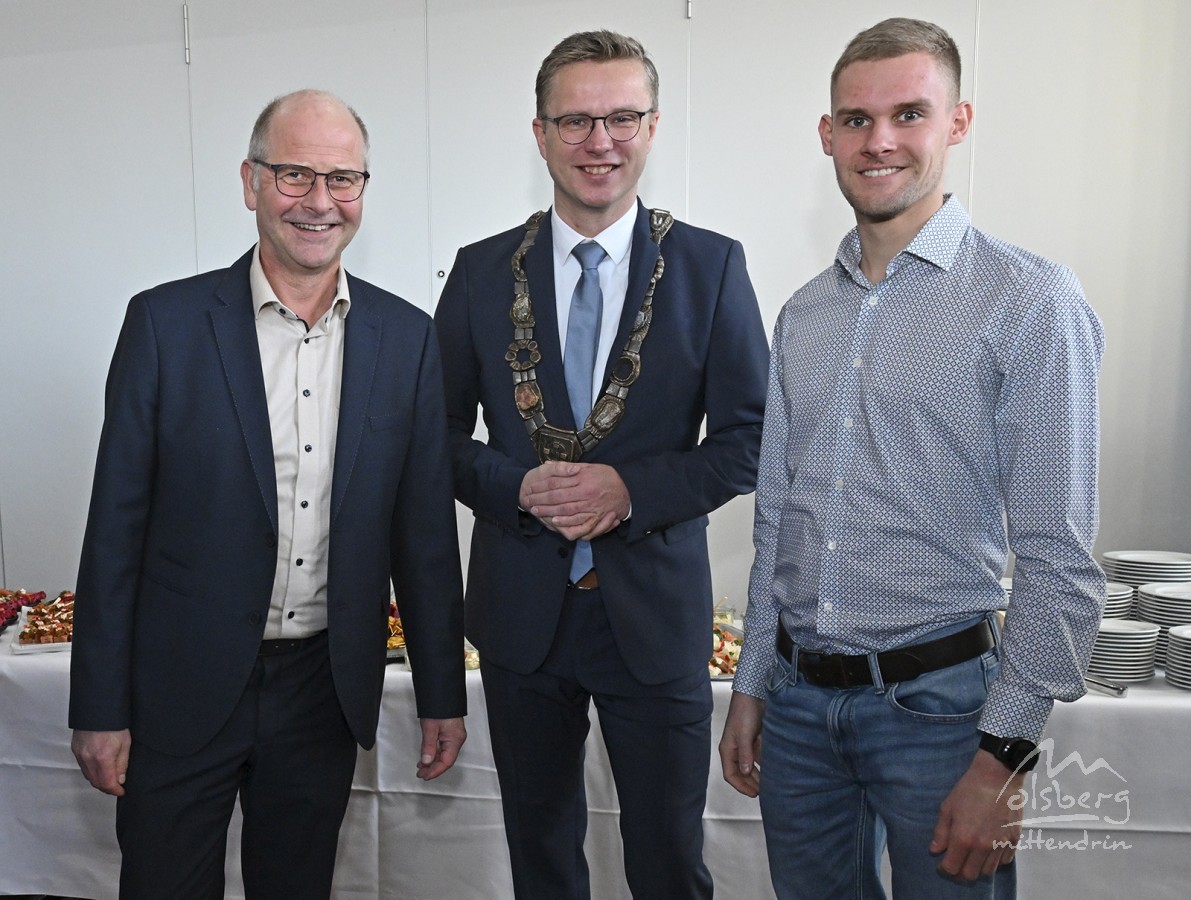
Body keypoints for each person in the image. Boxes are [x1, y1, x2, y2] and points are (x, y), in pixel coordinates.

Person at [719, 17, 1105, 900]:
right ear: (827, 134)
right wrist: (752, 687)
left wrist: (1003, 755)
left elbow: (1057, 555)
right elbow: (777, 519)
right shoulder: (804, 314)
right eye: (856, 120)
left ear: (957, 123)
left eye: (908, 114)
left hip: (943, 715)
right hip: (798, 710)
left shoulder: (1029, 300)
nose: (879, 140)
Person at [68, 89, 467, 899]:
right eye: (294, 175)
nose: (319, 201)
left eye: (342, 178)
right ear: (251, 182)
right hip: (179, 688)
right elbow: (114, 534)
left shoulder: (406, 339)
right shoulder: (165, 326)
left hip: (324, 691)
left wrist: (441, 693)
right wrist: (98, 707)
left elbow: (423, 536)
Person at [434, 30, 768, 900]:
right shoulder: (478, 272)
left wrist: (631, 490)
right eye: (575, 121)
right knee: (540, 857)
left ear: (651, 127)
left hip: (653, 618)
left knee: (667, 863)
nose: (599, 142)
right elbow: (430, 440)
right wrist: (514, 488)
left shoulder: (709, 267)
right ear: (540, 134)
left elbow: (751, 438)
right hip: (519, 618)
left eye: (621, 118)